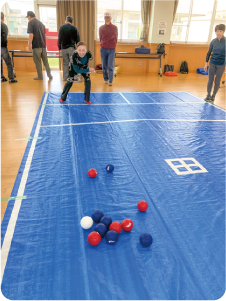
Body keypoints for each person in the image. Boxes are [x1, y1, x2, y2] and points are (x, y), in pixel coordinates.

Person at [26, 11, 53, 80]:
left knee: (37, 62)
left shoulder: (31, 23)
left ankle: (40, 77)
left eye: (28, 17)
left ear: (29, 16)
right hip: (43, 46)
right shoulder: (41, 24)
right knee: (45, 61)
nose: (28, 19)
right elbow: (45, 35)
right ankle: (49, 75)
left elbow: (31, 35)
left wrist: (29, 45)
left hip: (36, 46)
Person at [204, 24, 226, 102]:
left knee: (217, 81)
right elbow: (209, 53)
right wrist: (206, 63)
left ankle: (213, 96)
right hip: (212, 63)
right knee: (210, 80)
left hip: (221, 64)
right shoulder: (213, 41)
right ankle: (208, 95)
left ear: (223, 32)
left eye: (220, 31)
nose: (218, 33)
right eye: (217, 31)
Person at [58, 16, 80, 81]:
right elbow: (77, 39)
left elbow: (59, 38)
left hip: (64, 48)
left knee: (65, 63)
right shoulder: (74, 28)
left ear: (66, 20)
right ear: (71, 22)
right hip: (71, 48)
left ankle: (65, 77)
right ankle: (74, 77)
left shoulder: (61, 27)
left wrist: (59, 47)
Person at [99, 12, 118, 86]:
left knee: (110, 65)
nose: (107, 20)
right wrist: (104, 44)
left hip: (112, 49)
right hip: (103, 49)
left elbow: (116, 38)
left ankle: (110, 80)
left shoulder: (115, 28)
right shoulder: (101, 28)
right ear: (104, 19)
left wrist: (112, 45)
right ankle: (106, 79)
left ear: (110, 19)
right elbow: (100, 38)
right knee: (104, 65)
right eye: (106, 18)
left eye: (108, 18)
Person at [0, 11, 17, 83]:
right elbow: (4, 37)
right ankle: (11, 78)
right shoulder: (3, 25)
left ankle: (1, 77)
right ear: (3, 18)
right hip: (2, 47)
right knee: (9, 63)